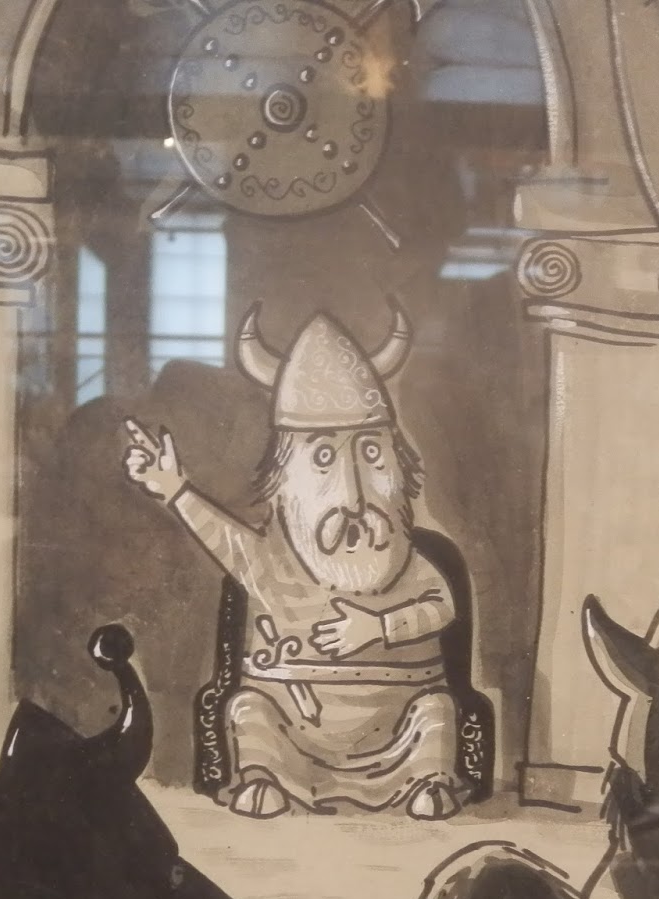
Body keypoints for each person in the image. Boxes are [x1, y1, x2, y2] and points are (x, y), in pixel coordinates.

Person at [125, 303, 469, 821]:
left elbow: (441, 608)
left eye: (371, 455)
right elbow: (222, 539)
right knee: (249, 710)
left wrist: (381, 627)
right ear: (284, 482)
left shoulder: (412, 562)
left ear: (399, 470)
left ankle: (428, 780)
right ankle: (264, 777)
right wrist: (174, 489)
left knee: (436, 711)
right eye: (324, 458)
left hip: (397, 735)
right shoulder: (269, 559)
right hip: (298, 743)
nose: (353, 495)